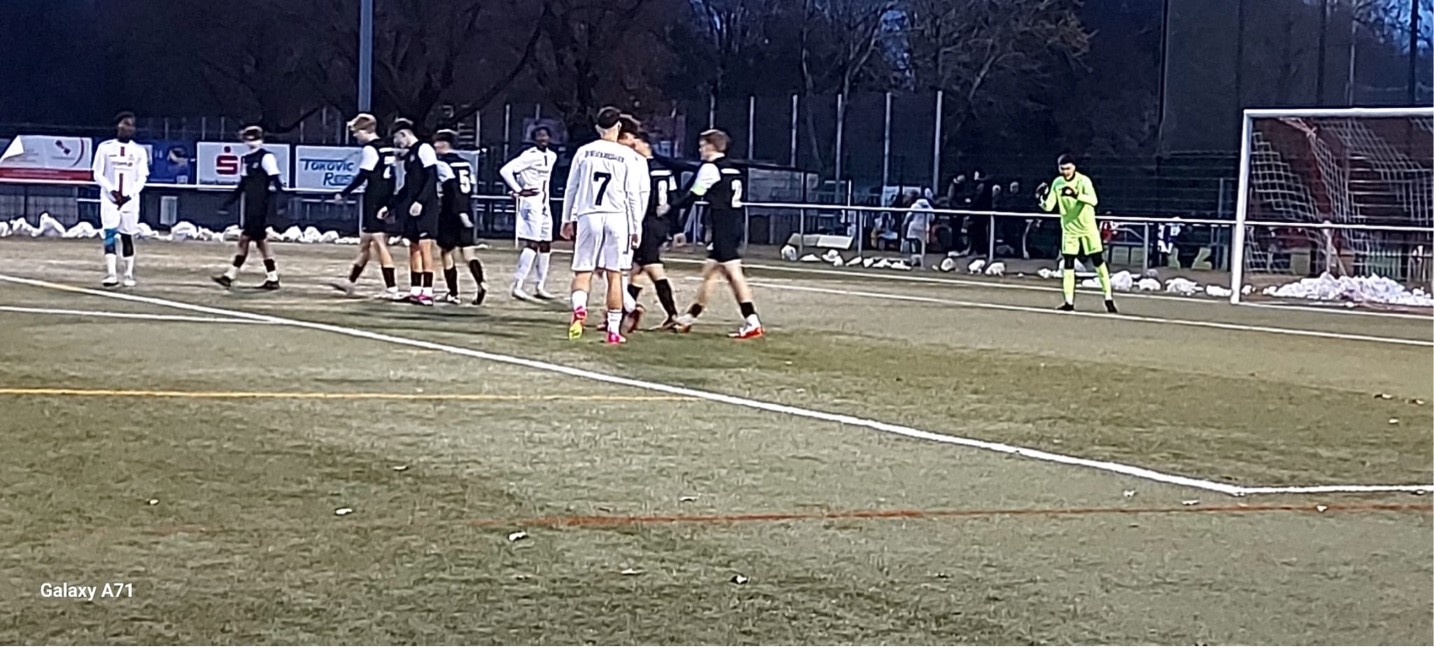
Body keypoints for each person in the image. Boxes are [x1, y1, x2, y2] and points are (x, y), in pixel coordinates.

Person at [560, 107, 648, 344]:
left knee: (583, 271)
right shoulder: (628, 156)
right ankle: (613, 330)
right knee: (614, 275)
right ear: (618, 126)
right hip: (617, 218)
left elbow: (571, 187)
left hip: (589, 215)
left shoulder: (584, 151)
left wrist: (567, 219)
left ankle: (579, 309)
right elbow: (632, 195)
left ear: (598, 128)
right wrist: (636, 228)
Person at [669, 129, 763, 339]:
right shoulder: (734, 169)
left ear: (712, 146)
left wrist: (671, 207)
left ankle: (752, 320)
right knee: (710, 273)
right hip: (734, 223)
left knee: (734, 274)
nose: (700, 149)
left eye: (702, 145)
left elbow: (694, 195)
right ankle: (689, 317)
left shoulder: (711, 168)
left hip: (723, 226)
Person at [331, 113, 400, 299]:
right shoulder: (386, 147)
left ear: (365, 130)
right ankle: (350, 282)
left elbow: (363, 175)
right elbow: (392, 176)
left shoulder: (371, 149)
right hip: (384, 195)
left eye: (356, 132)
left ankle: (392, 288)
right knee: (365, 242)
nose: (355, 136)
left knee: (379, 243)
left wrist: (343, 193)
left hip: (374, 197)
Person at [1038, 154, 1116, 313]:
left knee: (1098, 261)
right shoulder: (1057, 183)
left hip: (1088, 227)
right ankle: (1069, 301)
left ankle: (1108, 298)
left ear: (1074, 167)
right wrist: (1041, 198)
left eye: (1068, 168)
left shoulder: (1084, 181)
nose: (1065, 172)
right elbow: (1049, 206)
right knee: (1068, 264)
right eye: (1062, 169)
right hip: (1069, 228)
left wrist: (1076, 194)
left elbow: (1093, 200)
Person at [623, 131, 684, 331]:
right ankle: (623, 313)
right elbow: (673, 200)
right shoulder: (665, 169)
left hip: (648, 223)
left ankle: (672, 315)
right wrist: (676, 228)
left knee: (652, 267)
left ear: (645, 144)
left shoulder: (640, 168)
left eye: (635, 144)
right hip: (660, 224)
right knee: (636, 270)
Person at [213, 125, 283, 290]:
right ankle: (271, 277)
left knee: (246, 239)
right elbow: (242, 184)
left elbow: (276, 180)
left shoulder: (266, 157)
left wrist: (281, 202)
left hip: (260, 205)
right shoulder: (247, 159)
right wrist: (229, 202)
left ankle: (230, 275)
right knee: (260, 242)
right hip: (251, 205)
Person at [91, 111, 150, 288]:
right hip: (109, 199)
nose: (128, 128)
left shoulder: (139, 151)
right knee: (109, 233)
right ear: (118, 125)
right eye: (125, 124)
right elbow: (97, 173)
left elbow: (142, 177)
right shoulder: (105, 148)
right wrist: (111, 191)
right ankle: (111, 274)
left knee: (127, 235)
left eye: (131, 125)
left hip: (130, 201)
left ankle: (128, 274)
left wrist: (129, 195)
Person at [500, 126, 558, 300]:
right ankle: (518, 285)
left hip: (544, 203)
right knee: (532, 243)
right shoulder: (529, 155)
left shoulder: (552, 156)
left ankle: (540, 286)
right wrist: (519, 190)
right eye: (539, 136)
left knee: (546, 244)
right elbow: (505, 171)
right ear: (533, 139)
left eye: (545, 135)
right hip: (530, 203)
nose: (543, 139)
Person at [387, 118, 440, 305]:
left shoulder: (424, 149)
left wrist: (420, 201)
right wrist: (391, 205)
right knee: (414, 247)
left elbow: (431, 178)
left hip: (426, 207)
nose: (397, 143)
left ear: (404, 134)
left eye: (397, 138)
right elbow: (408, 186)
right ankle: (415, 290)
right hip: (412, 208)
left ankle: (428, 292)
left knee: (425, 248)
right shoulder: (410, 155)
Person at [432, 129, 487, 305]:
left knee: (446, 251)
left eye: (437, 143)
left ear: (444, 144)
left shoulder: (442, 164)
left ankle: (453, 293)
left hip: (451, 211)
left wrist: (457, 210)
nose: (435, 146)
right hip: (467, 209)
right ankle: (481, 282)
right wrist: (465, 211)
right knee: (468, 252)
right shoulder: (466, 164)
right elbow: (470, 186)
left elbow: (451, 189)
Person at [901, 191, 933, 267]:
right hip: (924, 228)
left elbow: (908, 217)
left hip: (914, 227)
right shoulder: (929, 207)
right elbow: (932, 218)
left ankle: (915, 260)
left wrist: (904, 224)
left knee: (914, 244)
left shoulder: (915, 206)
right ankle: (921, 261)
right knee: (922, 245)